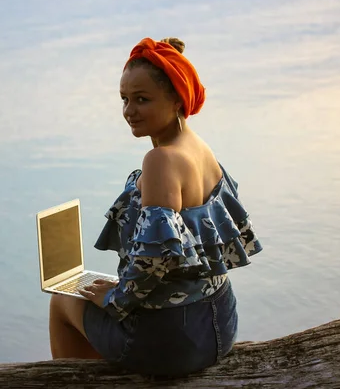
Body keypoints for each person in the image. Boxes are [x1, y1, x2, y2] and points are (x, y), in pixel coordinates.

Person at [49, 37, 263, 377]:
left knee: (63, 300)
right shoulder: (200, 148)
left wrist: (114, 298)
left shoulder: (161, 160)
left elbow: (156, 259)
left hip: (171, 343)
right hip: (221, 322)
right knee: (93, 287)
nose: (129, 111)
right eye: (124, 99)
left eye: (142, 100)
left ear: (177, 99)